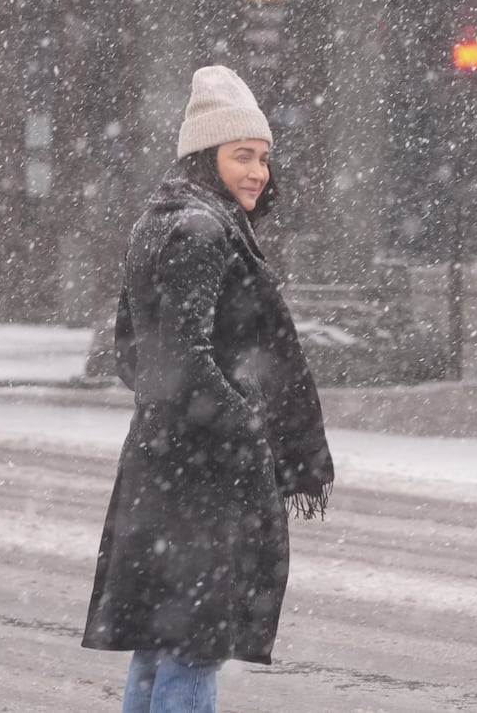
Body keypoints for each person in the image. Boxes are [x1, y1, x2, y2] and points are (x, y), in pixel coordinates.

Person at [83, 66, 334, 713]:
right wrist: (248, 427)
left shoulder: (164, 220)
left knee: (163, 645)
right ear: (205, 155)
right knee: (194, 649)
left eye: (264, 157)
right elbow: (185, 361)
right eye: (242, 155)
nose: (258, 171)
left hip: (166, 467)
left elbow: (134, 352)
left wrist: (182, 413)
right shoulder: (201, 230)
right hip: (204, 479)